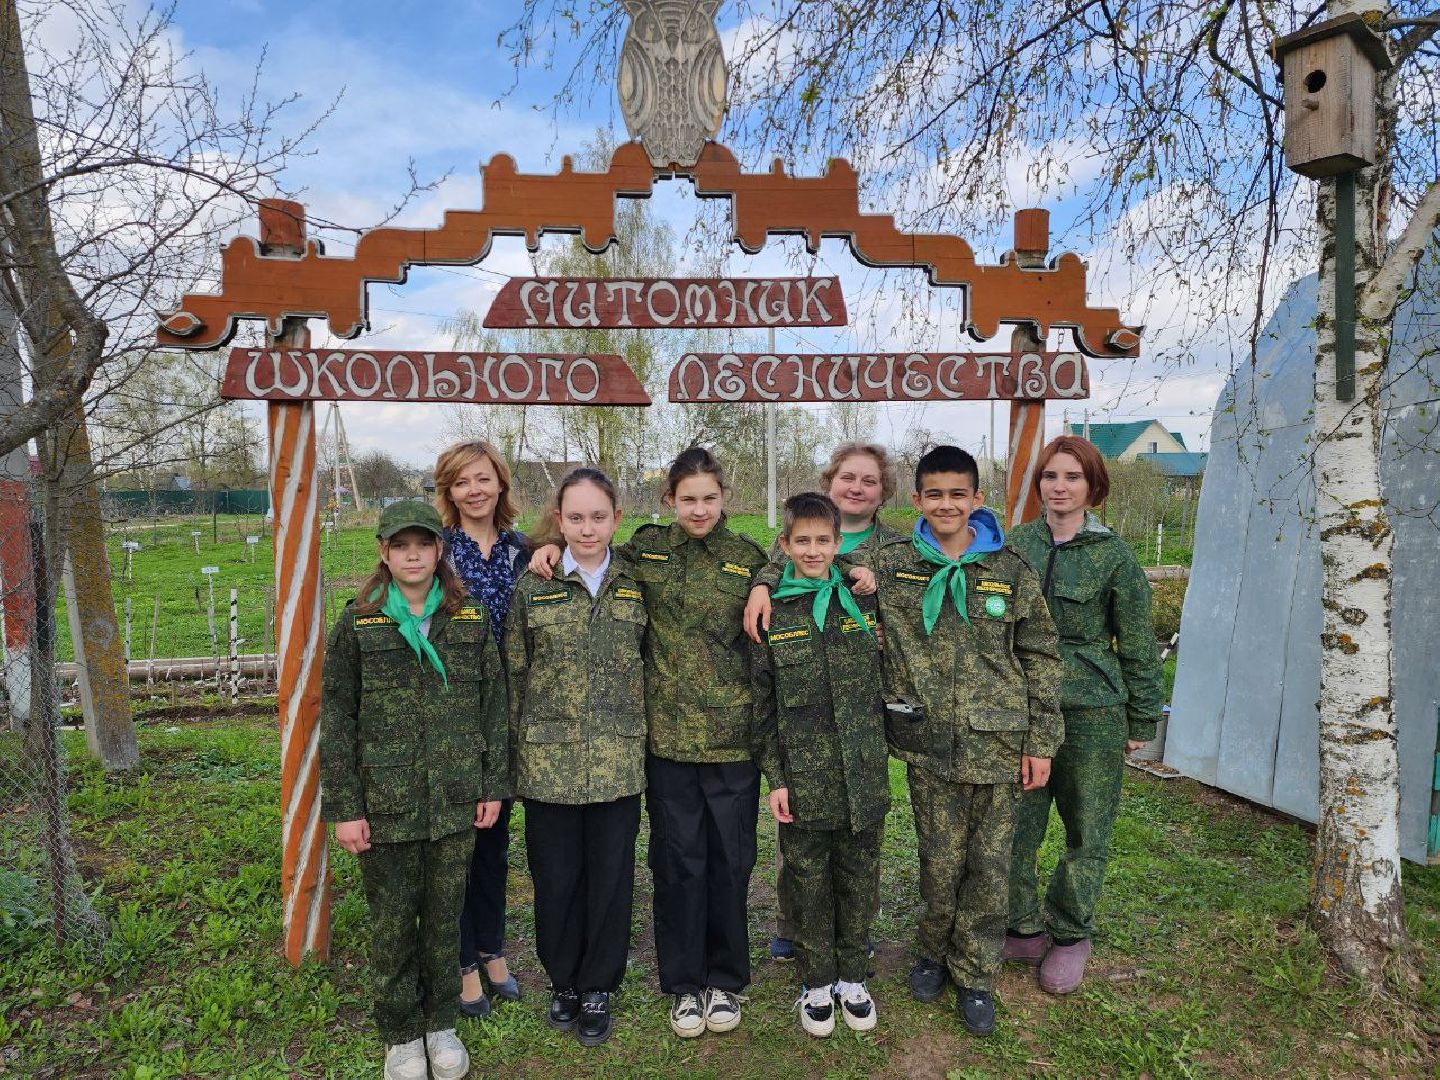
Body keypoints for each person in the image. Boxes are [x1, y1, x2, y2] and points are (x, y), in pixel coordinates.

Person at [529, 447, 768, 1039]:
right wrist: (548, 549)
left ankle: (725, 980)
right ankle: (684, 984)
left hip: (731, 738)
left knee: (731, 864)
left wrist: (767, 580)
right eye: (688, 498)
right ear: (668, 501)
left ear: (724, 499)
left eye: (710, 498)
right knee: (677, 864)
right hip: (664, 740)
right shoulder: (646, 552)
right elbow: (593, 557)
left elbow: (801, 557)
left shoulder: (748, 557)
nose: (700, 508)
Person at [869, 445, 1062, 1037]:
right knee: (939, 860)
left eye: (958, 494)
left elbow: (1040, 656)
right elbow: (807, 559)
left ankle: (976, 973)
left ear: (978, 499)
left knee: (990, 866)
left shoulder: (1010, 570)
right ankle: (933, 953)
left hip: (998, 744)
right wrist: (765, 584)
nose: (946, 504)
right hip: (927, 742)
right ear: (918, 500)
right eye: (934, 494)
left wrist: (1042, 742)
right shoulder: (891, 560)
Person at [319, 500, 509, 1080]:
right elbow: (338, 718)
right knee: (394, 924)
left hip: (454, 798)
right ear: (384, 551)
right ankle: (401, 1036)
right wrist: (347, 809)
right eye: (400, 545)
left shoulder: (468, 616)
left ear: (438, 550)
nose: (412, 555)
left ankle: (442, 1026)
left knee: (445, 918)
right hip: (387, 803)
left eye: (422, 545)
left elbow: (493, 705)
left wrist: (492, 784)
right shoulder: (359, 621)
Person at [1003, 436, 1164, 993]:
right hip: (1022, 709)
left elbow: (1138, 643)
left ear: (1093, 487)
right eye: (1050, 476)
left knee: (1085, 828)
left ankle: (1071, 933)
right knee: (1016, 826)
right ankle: (1021, 926)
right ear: (1039, 485)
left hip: (1091, 712)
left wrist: (1143, 719)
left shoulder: (1113, 557)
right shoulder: (1015, 544)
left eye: (1073, 477)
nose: (1060, 487)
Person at [504, 467, 647, 1049]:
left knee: (611, 879)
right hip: (547, 765)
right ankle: (563, 981)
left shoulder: (639, 583)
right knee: (557, 879)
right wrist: (509, 762)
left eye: (599, 516)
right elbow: (513, 674)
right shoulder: (531, 587)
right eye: (576, 516)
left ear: (616, 519)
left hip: (616, 762)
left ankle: (598, 986)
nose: (588, 528)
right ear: (558, 521)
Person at [742, 442, 902, 961]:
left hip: (858, 734)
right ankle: (802, 929)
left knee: (859, 846)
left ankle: (854, 936)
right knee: (806, 847)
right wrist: (765, 585)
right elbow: (778, 568)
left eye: (869, 480)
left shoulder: (887, 552)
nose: (857, 487)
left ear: (883, 491)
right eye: (847, 477)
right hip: (805, 735)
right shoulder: (789, 545)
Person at [751, 492, 891, 1038]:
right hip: (803, 776)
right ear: (784, 545)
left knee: (860, 877)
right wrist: (777, 778)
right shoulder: (770, 609)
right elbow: (761, 704)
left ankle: (853, 976)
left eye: (823, 541)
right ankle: (815, 982)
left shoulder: (863, 601)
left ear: (839, 544)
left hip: (863, 771)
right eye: (801, 541)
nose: (813, 550)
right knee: (808, 879)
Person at [432, 440, 530, 1017]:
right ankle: (463, 960)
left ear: (500, 485)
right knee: (457, 845)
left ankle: (494, 951)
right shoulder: (436, 552)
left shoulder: (524, 553)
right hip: (453, 714)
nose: (475, 490)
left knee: (494, 841)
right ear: (449, 491)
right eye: (462, 481)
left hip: (510, 717)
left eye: (484, 479)